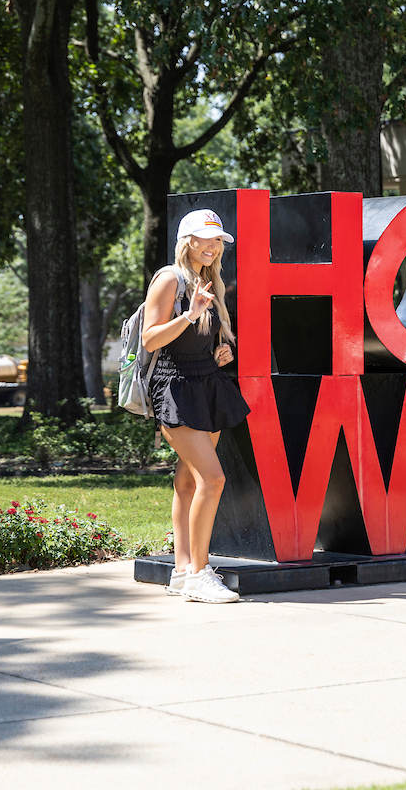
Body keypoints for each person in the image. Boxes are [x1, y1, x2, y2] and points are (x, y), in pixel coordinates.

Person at [143, 209, 251, 603]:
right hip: (175, 386)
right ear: (186, 240)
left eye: (218, 240)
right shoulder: (169, 278)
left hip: (207, 382)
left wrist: (220, 351)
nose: (212, 246)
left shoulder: (211, 281)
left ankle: (182, 570)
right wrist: (190, 315)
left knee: (189, 480)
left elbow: (199, 340)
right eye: (205, 239)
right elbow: (151, 339)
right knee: (214, 478)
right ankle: (201, 574)